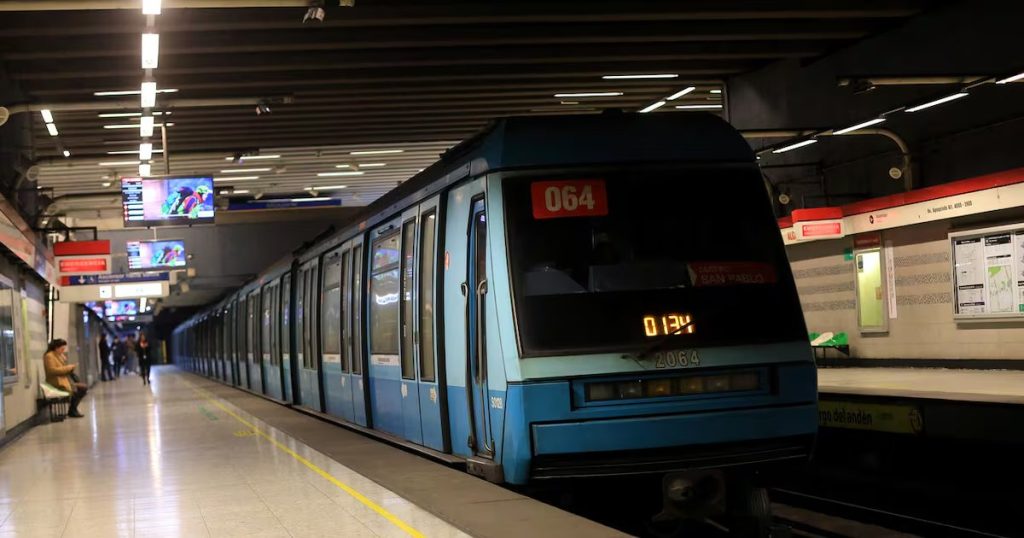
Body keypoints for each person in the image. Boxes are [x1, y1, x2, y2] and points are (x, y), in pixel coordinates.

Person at [44, 339, 87, 418]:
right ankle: (72, 410)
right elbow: (52, 370)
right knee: (80, 388)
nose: (63, 351)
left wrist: (66, 363)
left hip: (62, 381)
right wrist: (68, 367)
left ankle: (73, 409)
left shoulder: (58, 355)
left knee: (83, 387)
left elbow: (63, 368)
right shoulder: (49, 356)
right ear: (56, 348)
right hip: (56, 383)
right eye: (62, 349)